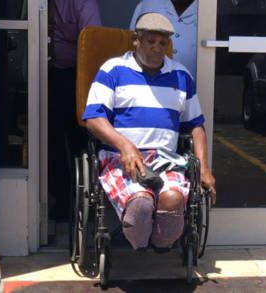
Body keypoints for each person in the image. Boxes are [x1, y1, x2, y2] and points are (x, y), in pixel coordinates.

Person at [82, 12, 216, 251]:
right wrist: (125, 146)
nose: (157, 48)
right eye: (150, 42)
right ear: (136, 40)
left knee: (173, 199)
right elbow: (93, 118)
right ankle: (140, 240)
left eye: (163, 43)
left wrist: (205, 170)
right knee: (141, 204)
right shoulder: (113, 70)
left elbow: (196, 125)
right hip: (121, 159)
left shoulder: (181, 76)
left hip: (167, 160)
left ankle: (160, 242)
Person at [48, 0, 101, 219]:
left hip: (75, 74)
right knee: (49, 140)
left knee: (78, 139)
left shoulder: (82, 2)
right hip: (43, 71)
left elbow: (93, 40)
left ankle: (83, 200)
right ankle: (59, 199)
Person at [130, 0, 198, 79]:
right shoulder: (148, 4)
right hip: (144, 82)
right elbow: (132, 44)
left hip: (192, 86)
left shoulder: (209, 8)